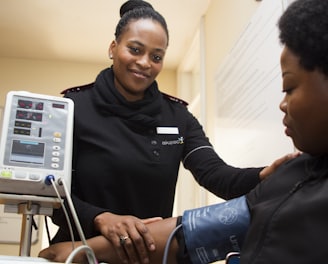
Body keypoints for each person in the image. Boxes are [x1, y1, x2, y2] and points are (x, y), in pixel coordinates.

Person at [39, 0, 328, 263]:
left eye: (157, 56)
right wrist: (101, 218)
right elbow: (48, 191)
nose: (144, 63)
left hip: (146, 253)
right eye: (135, 49)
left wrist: (261, 176)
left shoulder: (177, 116)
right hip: (76, 249)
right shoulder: (72, 107)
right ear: (113, 48)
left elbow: (216, 175)